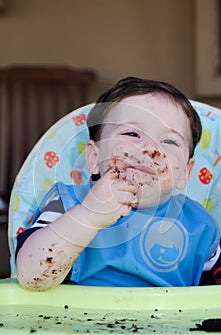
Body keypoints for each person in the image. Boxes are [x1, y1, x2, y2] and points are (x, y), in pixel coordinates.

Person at [16, 77, 221, 290]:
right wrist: (88, 216)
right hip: (78, 320)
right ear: (94, 158)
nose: (150, 148)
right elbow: (30, 276)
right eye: (131, 133)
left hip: (171, 322)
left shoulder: (200, 227)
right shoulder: (67, 203)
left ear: (185, 174)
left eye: (169, 141)